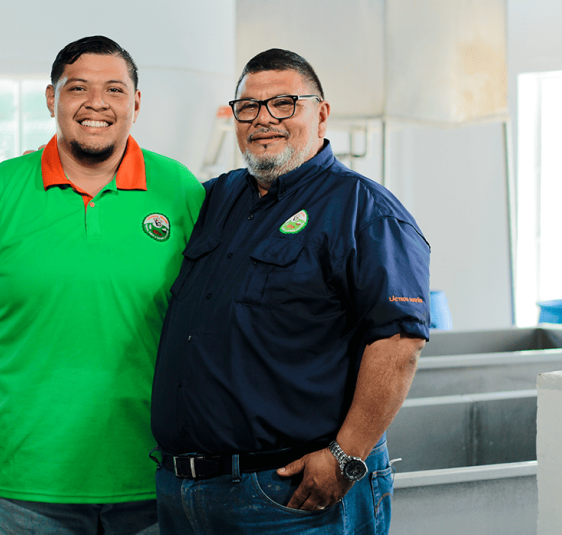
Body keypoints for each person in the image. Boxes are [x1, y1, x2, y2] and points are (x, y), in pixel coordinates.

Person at [0, 35, 204, 535]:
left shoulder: (179, 190)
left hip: (151, 469)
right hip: (23, 475)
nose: (97, 103)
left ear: (135, 104)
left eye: (115, 90)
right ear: (53, 99)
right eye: (79, 88)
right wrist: (15, 350)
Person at [149, 48, 431, 534]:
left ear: (321, 113)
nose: (264, 119)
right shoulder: (218, 198)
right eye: (249, 107)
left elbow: (398, 343)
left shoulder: (364, 210)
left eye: (284, 103)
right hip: (187, 495)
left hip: (286, 497)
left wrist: (346, 457)